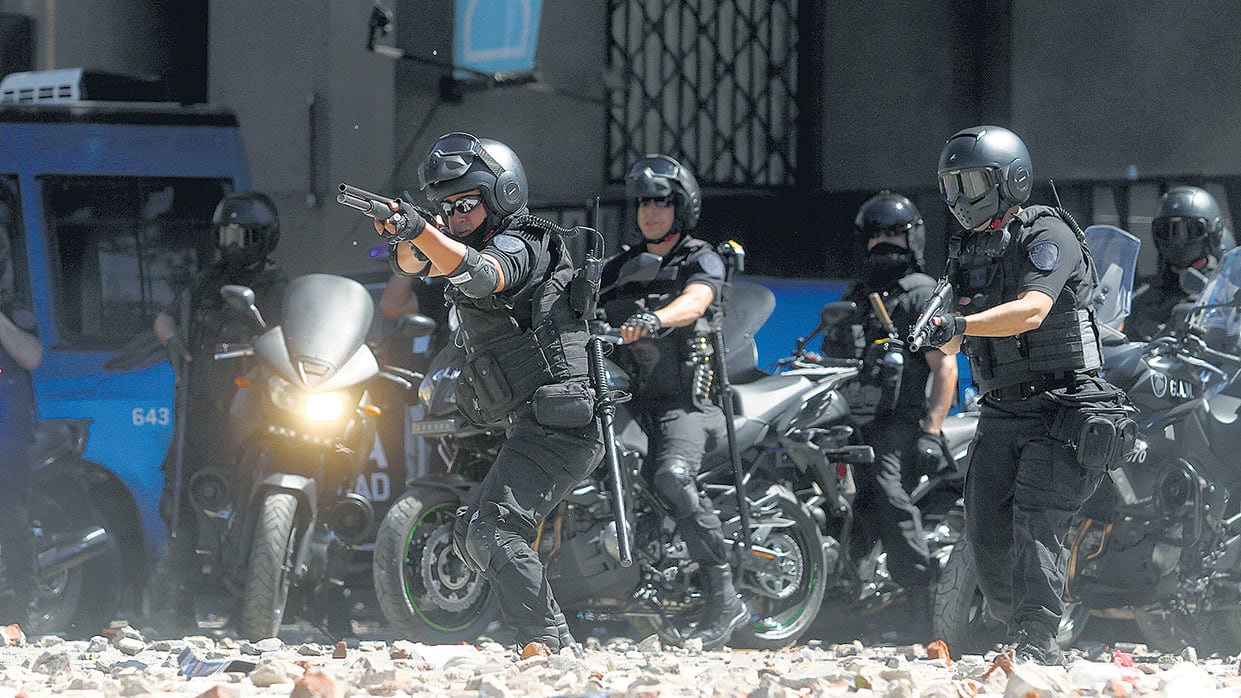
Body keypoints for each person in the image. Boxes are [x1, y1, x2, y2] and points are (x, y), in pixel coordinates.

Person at [377, 132, 603, 655]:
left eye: (465, 205)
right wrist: (406, 231)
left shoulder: (527, 241)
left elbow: (484, 276)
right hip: (532, 421)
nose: (455, 217)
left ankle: (550, 644)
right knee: (471, 530)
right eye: (446, 208)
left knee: (492, 529)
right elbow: (412, 265)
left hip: (563, 422)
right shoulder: (464, 244)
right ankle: (544, 641)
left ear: (501, 195)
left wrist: (421, 230)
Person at [923, 125, 1131, 665]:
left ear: (1009, 181)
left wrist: (961, 324)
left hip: (1062, 405)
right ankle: (1020, 630)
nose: (959, 198)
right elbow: (953, 340)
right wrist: (936, 329)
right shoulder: (969, 251)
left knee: (1037, 523)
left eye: (971, 183)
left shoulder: (1047, 232)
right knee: (983, 532)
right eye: (951, 185)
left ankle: (1038, 644)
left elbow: (1033, 309)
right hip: (1001, 408)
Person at [597, 154, 747, 649]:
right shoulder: (619, 266)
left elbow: (697, 299)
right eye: (643, 202)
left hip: (684, 402)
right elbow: (576, 303)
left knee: (670, 478)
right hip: (625, 399)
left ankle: (725, 598)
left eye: (660, 202)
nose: (650, 211)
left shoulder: (701, 258)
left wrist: (658, 318)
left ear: (681, 207)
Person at [821, 191, 958, 638]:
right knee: (845, 504)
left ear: (911, 237)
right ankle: (840, 600)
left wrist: (931, 431)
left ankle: (920, 598)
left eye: (894, 233)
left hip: (899, 423)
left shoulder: (922, 294)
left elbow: (946, 367)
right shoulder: (856, 296)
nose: (885, 241)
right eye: (876, 233)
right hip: (851, 422)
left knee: (886, 493)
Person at [150, 191, 287, 632]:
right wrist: (172, 339)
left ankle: (248, 606)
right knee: (179, 504)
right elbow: (165, 319)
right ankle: (175, 607)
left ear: (264, 238)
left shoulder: (279, 289)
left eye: (242, 236)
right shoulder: (205, 282)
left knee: (251, 507)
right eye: (226, 235)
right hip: (198, 410)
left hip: (251, 416)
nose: (232, 245)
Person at [0, 223, 42, 626]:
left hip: (7, 436)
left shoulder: (16, 312)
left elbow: (31, 356)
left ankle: (22, 605)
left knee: (8, 510)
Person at [1126, 186, 1235, 340]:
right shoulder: (1141, 299)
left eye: (1190, 230)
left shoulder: (1227, 291)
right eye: (1166, 230)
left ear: (1213, 233)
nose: (1177, 240)